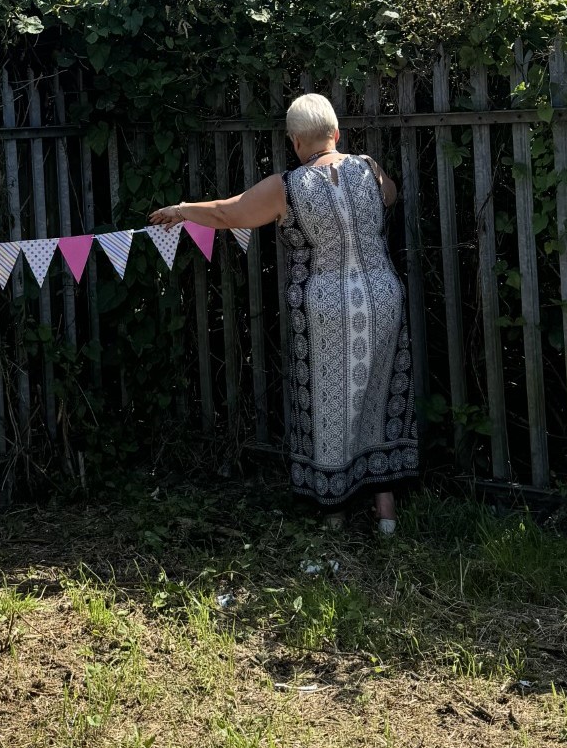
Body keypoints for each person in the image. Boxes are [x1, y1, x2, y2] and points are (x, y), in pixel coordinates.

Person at [149, 92, 416, 533]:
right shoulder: (368, 167)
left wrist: (181, 210)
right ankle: (386, 513)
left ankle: (334, 510)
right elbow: (390, 196)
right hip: (383, 297)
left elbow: (229, 212)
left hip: (327, 306)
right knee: (378, 400)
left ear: (294, 141)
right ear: (336, 133)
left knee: (331, 405)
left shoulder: (287, 186)